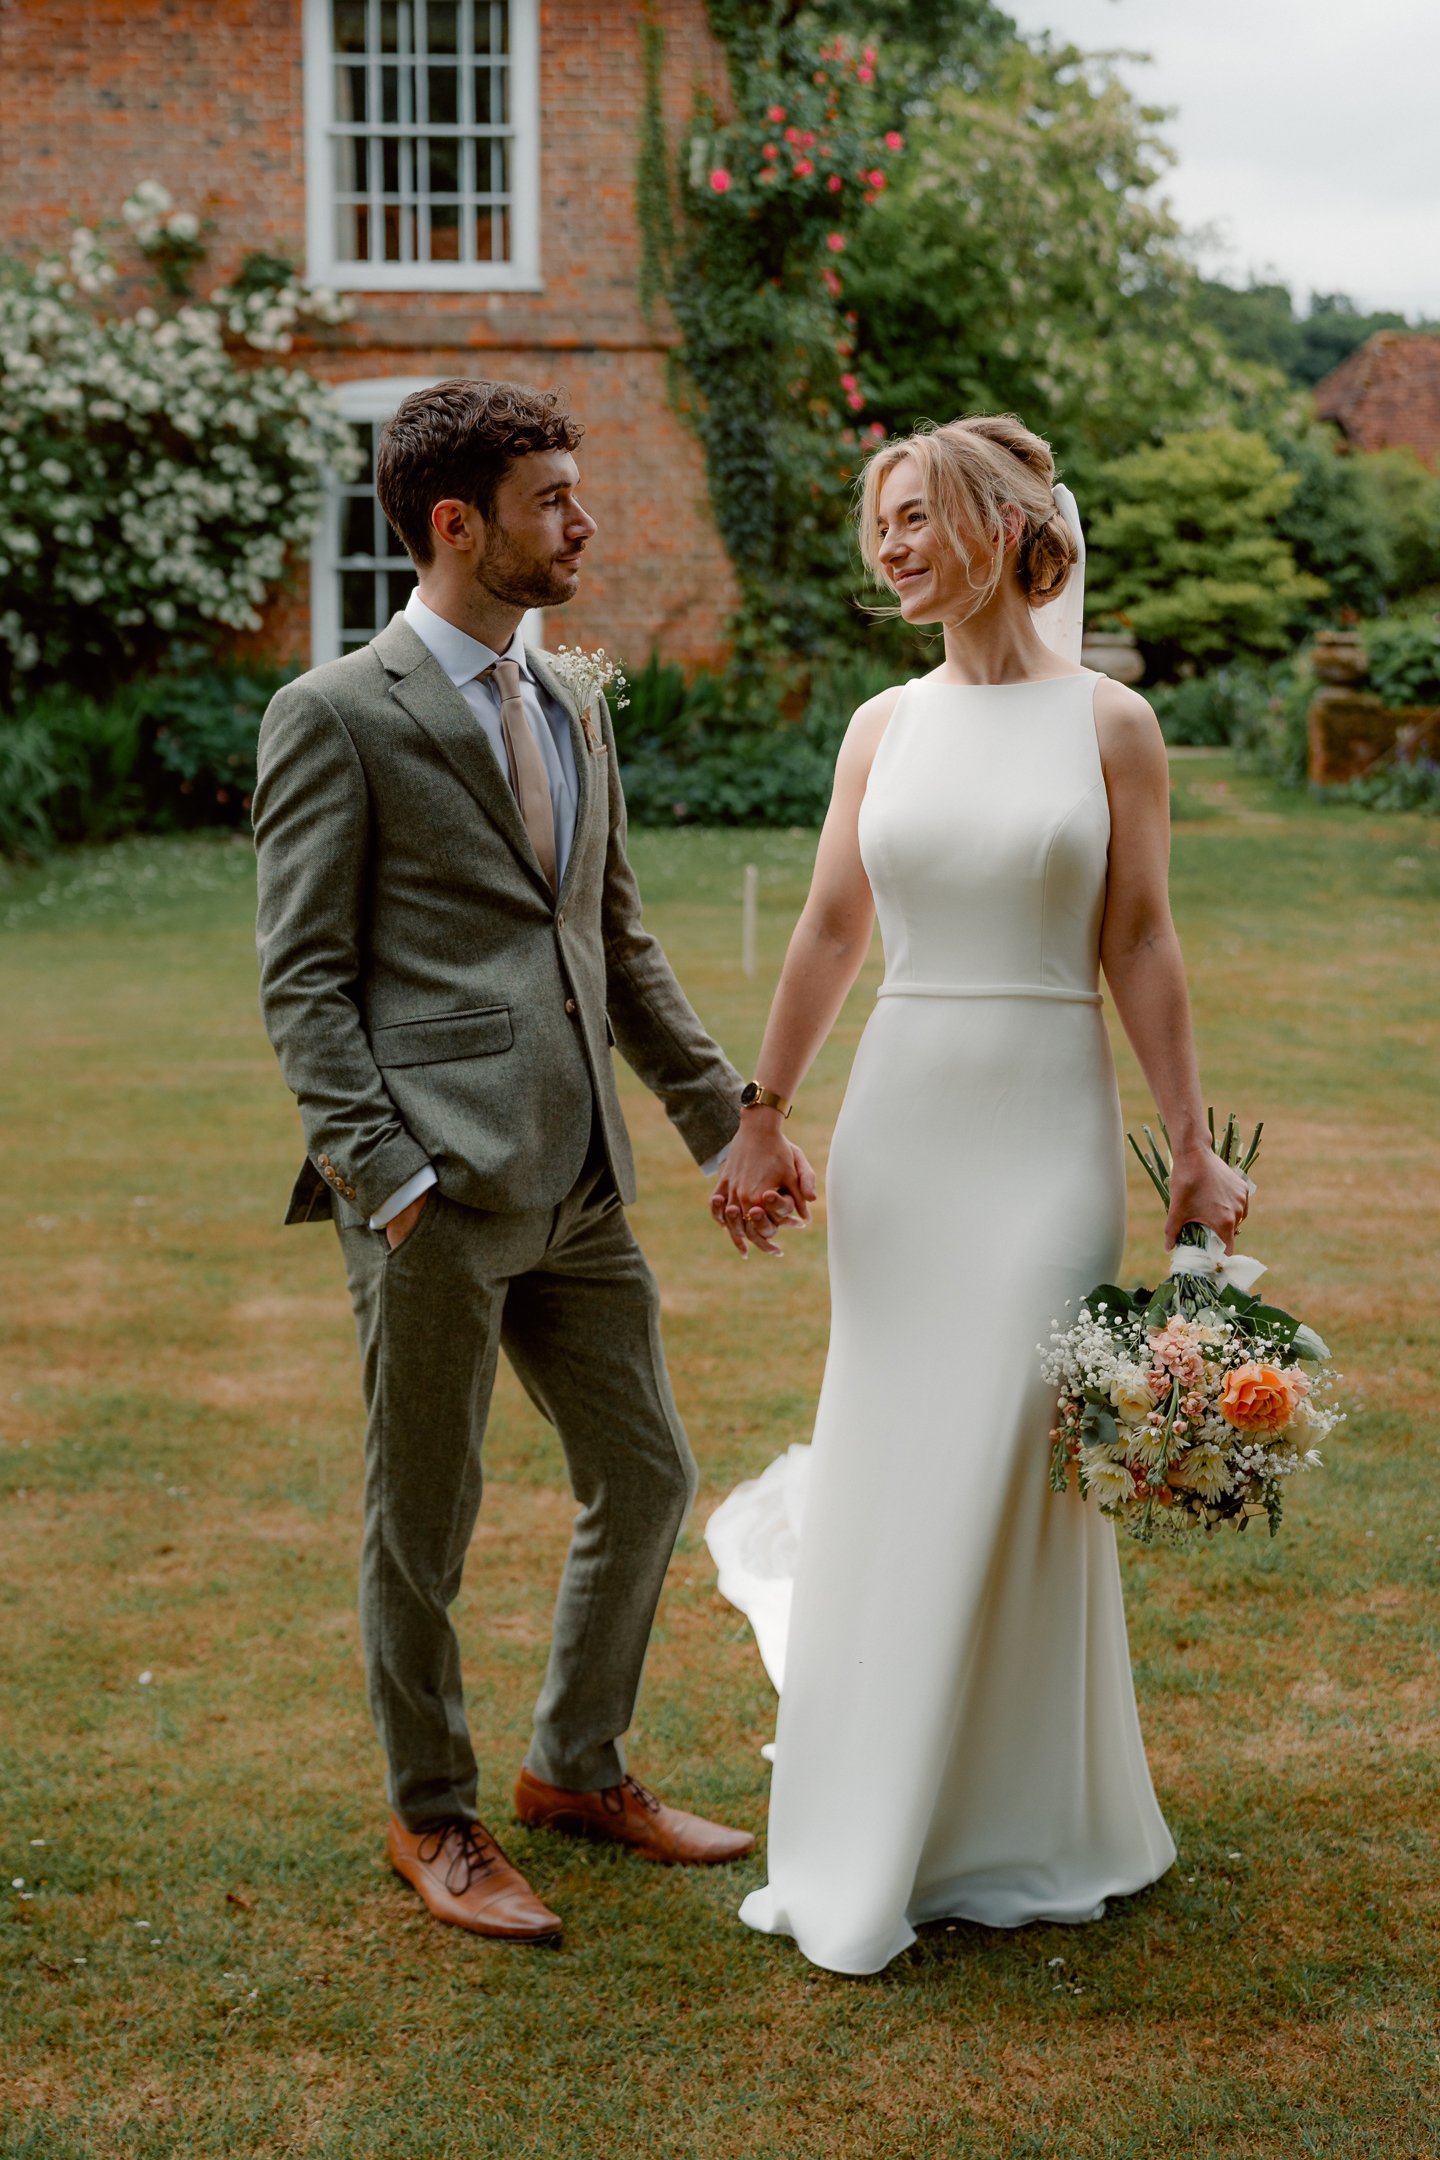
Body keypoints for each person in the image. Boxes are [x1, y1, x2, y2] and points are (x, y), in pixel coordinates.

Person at [252, 377, 811, 1946]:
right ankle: (436, 1817)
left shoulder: (569, 697)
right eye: (555, 499)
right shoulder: (338, 713)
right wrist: (391, 1176)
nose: (583, 524)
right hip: (431, 1198)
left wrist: (728, 1122)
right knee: (418, 1520)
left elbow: (612, 939)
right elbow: (302, 978)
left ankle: (576, 1767)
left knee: (645, 1474)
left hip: (581, 1186)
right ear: (457, 523)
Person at [705, 413, 1251, 1976]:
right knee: (900, 1453)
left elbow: (1139, 940)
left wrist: (1192, 1149)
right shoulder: (880, 726)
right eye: (878, 522)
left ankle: (1018, 1814)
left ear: (1005, 526)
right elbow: (825, 929)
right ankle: (880, 1817)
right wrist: (765, 1116)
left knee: (1020, 1453)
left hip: (1045, 1130)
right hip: (907, 1122)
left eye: (915, 516)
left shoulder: (1112, 724)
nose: (890, 546)